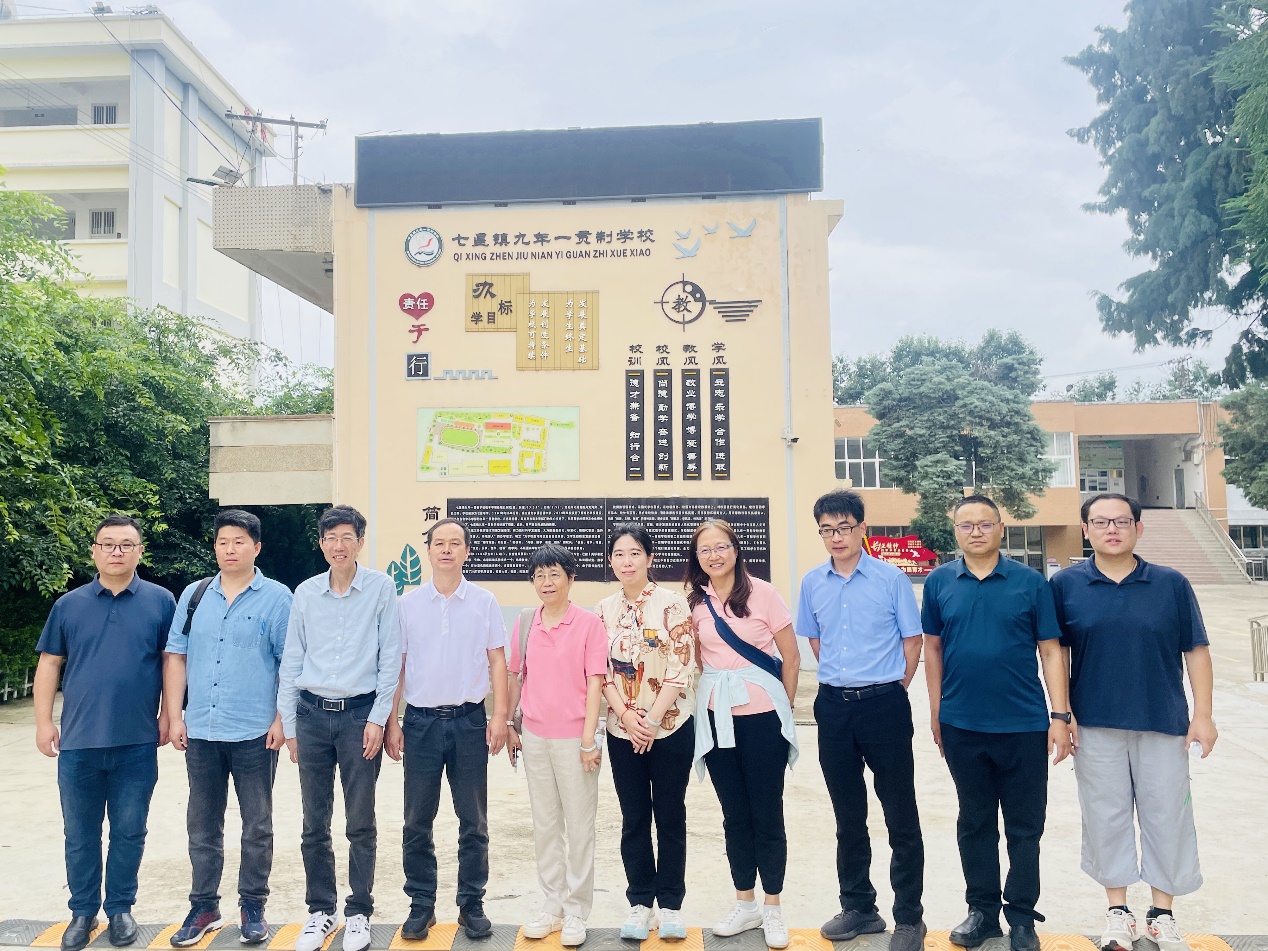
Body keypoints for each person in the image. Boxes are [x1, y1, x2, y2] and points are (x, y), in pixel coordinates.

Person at [1051, 493, 1217, 951]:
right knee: (1105, 817)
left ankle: (1162, 914)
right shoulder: (1065, 585)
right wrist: (1062, 715)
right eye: (1101, 522)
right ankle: (1117, 912)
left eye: (1122, 521)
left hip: (1163, 721)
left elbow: (1196, 650)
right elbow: (1056, 653)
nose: (1112, 529)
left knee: (1168, 815)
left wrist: (1203, 714)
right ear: (1085, 529)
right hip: (1095, 724)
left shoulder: (1170, 583)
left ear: (1138, 529)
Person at [921, 495, 1076, 951]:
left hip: (1023, 724)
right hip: (962, 724)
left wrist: (1060, 715)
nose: (976, 531)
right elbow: (933, 647)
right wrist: (936, 710)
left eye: (984, 524)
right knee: (975, 822)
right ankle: (982, 912)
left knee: (1025, 826)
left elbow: (1051, 650)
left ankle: (1022, 917)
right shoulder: (939, 582)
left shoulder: (1030, 583)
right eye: (966, 524)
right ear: (955, 531)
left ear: (1000, 528)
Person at [33, 515, 177, 951]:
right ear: (94, 551)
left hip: (137, 741)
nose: (117, 551)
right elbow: (49, 664)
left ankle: (120, 909)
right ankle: (82, 911)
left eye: (126, 544)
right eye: (108, 544)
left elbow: (172, 661)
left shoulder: (161, 602)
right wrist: (43, 721)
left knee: (129, 831)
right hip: (79, 743)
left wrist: (170, 714)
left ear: (139, 551)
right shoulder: (69, 605)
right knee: (80, 834)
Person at [797, 490, 927, 951]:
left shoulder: (892, 579)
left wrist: (892, 687)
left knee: (900, 813)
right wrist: (844, 681)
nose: (836, 537)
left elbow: (913, 642)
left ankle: (909, 917)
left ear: (861, 529)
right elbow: (816, 641)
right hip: (834, 708)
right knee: (847, 814)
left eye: (844, 527)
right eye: (827, 530)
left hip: (884, 705)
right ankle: (859, 907)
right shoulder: (812, 582)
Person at [163, 509, 293, 946]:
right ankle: (204, 906)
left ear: (257, 547)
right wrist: (175, 715)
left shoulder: (277, 598)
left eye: (239, 542)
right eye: (223, 542)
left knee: (257, 824)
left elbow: (289, 664)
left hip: (256, 731)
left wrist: (281, 719)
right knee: (202, 824)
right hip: (201, 729)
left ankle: (253, 905)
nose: (230, 549)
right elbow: (176, 656)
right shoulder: (194, 595)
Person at [277, 505, 400, 951]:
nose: (339, 545)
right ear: (321, 544)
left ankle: (359, 911)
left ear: (360, 542)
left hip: (358, 717)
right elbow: (292, 658)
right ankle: (321, 910)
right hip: (311, 716)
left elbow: (390, 658)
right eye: (331, 538)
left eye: (347, 537)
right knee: (314, 820)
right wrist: (290, 723)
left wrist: (378, 718)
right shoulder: (306, 592)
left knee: (360, 821)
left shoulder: (382, 588)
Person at [384, 518, 509, 941]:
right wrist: (393, 721)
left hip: (469, 721)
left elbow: (497, 661)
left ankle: (471, 905)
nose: (447, 550)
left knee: (473, 820)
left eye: (455, 543)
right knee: (417, 820)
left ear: (466, 551)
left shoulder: (484, 601)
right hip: (419, 723)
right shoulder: (408, 604)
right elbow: (398, 666)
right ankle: (421, 905)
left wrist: (499, 716)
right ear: (429, 551)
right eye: (439, 543)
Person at [688, 519, 800, 950]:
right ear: (697, 558)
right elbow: (701, 660)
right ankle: (745, 902)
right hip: (717, 718)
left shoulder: (764, 593)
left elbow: (791, 657)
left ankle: (773, 907)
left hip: (763, 717)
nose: (713, 555)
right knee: (734, 814)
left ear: (736, 550)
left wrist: (784, 706)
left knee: (767, 812)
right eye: (704, 550)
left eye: (721, 547)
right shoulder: (696, 603)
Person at [595, 524, 697, 941]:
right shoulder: (602, 610)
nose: (627, 561)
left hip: (670, 728)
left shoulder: (673, 604)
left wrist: (651, 720)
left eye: (635, 553)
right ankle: (640, 902)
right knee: (634, 816)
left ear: (649, 559)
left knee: (670, 814)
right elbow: (599, 671)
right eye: (619, 554)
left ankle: (670, 904)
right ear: (611, 561)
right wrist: (625, 715)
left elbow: (682, 666)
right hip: (623, 731)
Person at [506, 544, 608, 948]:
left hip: (574, 739)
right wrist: (511, 723)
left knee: (579, 825)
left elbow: (596, 684)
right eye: (539, 576)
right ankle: (553, 905)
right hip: (535, 737)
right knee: (545, 824)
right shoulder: (526, 622)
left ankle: (577, 910)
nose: (546, 582)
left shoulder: (589, 624)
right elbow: (517, 676)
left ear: (570, 578)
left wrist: (588, 740)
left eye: (554, 574)